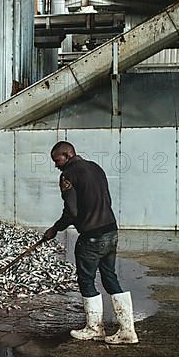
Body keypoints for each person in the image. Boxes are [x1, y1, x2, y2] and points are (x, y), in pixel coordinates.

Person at [43, 141, 138, 344]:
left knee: (86, 280)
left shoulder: (67, 175)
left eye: (57, 160)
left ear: (67, 155)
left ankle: (94, 328)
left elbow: (72, 211)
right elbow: (106, 199)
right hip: (111, 230)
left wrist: (55, 228)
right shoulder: (96, 167)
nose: (56, 165)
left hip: (92, 236)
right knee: (110, 277)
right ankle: (127, 330)